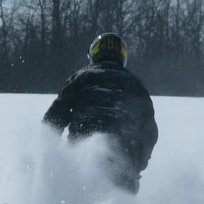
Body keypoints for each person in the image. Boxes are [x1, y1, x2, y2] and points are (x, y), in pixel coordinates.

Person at [43, 33, 158, 194]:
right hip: (124, 161)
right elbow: (149, 131)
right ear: (122, 55)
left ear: (94, 53)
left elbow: (53, 121)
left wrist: (50, 155)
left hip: (80, 157)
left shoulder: (81, 78)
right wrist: (138, 164)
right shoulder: (135, 84)